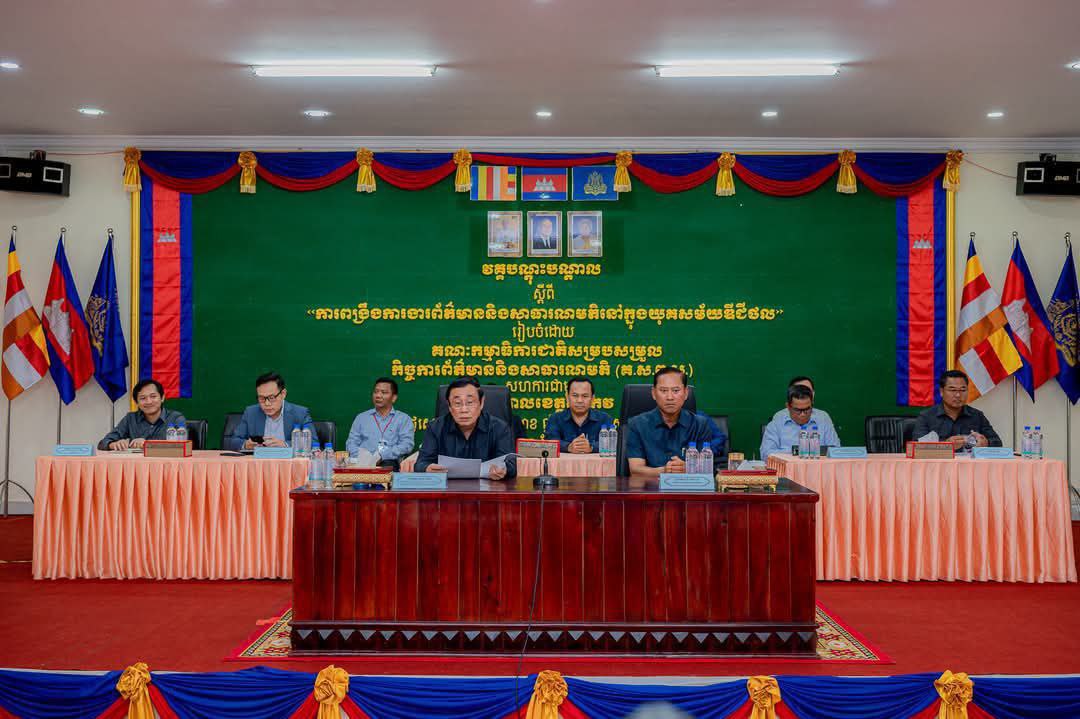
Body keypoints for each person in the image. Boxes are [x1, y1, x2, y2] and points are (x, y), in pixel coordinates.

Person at [416, 377, 517, 479]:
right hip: (448, 487)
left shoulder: (500, 428)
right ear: (449, 406)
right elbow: (420, 464)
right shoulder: (435, 428)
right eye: (457, 403)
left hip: (488, 486)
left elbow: (511, 466)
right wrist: (427, 468)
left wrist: (503, 470)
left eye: (470, 402)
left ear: (481, 403)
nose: (464, 410)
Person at [625, 367, 718, 477]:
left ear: (686, 393)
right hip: (651, 487)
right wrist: (664, 471)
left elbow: (706, 468)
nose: (670, 397)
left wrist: (688, 468)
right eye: (663, 391)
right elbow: (635, 470)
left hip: (688, 487)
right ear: (654, 393)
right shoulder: (637, 424)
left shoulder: (700, 425)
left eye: (676, 391)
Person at [912, 369, 1002, 449]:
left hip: (969, 463)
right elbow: (916, 447)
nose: (958, 395)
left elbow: (998, 443)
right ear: (941, 392)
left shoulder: (977, 415)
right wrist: (946, 445)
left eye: (963, 390)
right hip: (940, 463)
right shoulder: (926, 416)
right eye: (953, 390)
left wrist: (986, 443)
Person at [225, 371, 314, 450]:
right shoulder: (250, 413)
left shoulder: (300, 413)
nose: (267, 404)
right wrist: (245, 445)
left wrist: (285, 444)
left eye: (271, 398)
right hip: (258, 462)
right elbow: (233, 441)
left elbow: (313, 443)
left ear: (283, 394)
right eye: (261, 398)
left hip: (288, 462)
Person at [98, 379, 186, 450]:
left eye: (153, 396)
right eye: (143, 398)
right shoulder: (130, 418)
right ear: (137, 402)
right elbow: (103, 443)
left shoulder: (176, 418)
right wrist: (113, 444)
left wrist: (147, 444)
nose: (149, 401)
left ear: (162, 398)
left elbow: (181, 446)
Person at [760, 385, 841, 459]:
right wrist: (797, 452)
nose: (802, 414)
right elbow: (765, 454)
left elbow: (836, 450)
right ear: (788, 407)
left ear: (812, 404)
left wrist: (802, 452)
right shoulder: (778, 419)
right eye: (798, 410)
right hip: (787, 469)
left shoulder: (823, 418)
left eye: (807, 409)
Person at [345, 377, 415, 463]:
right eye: (376, 392)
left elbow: (406, 445)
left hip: (389, 463)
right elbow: (351, 443)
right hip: (361, 463)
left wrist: (382, 456)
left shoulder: (404, 419)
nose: (378, 396)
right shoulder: (361, 418)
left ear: (394, 398)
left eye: (384, 392)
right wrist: (364, 458)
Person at [543, 376, 614, 453]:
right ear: (567, 397)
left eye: (585, 396)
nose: (580, 400)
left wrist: (591, 447)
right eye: (575, 395)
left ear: (592, 398)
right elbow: (550, 442)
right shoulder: (555, 419)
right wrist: (568, 447)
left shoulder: (604, 419)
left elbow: (612, 443)